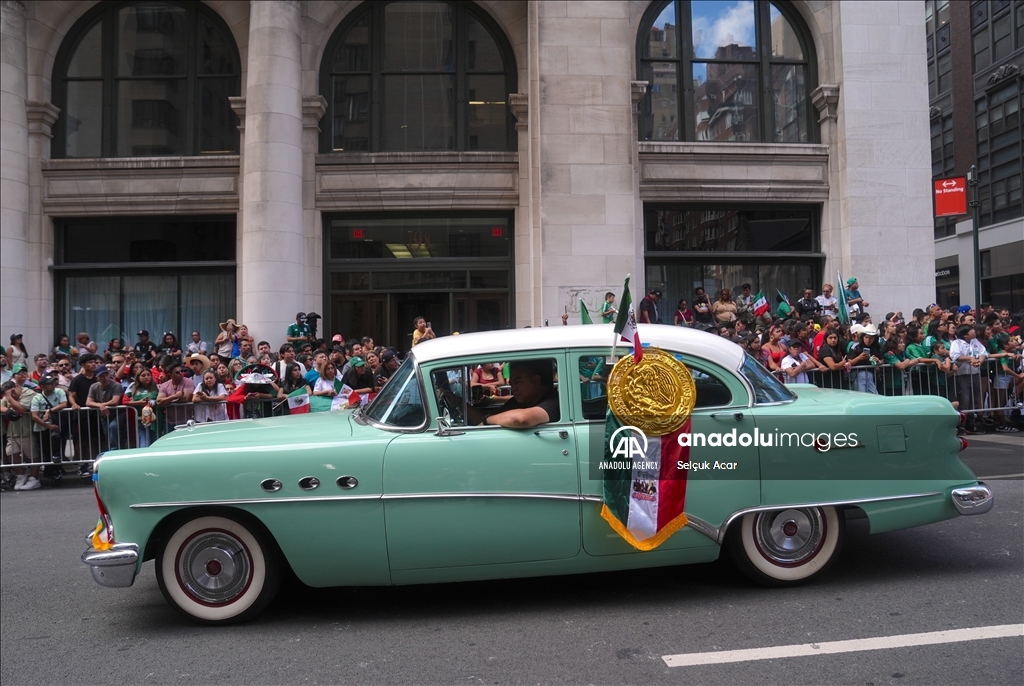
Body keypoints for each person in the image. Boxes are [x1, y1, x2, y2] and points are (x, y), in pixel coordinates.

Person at [477, 360, 560, 428]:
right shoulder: (520, 401)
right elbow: (491, 416)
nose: (513, 389)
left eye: (518, 382)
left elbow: (521, 419)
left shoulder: (553, 401)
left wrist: (486, 421)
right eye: (511, 384)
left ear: (536, 381)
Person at [30, 375, 67, 475]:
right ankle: (49, 471)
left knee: (56, 440)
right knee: (45, 450)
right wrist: (48, 426)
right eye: (49, 383)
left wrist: (49, 411)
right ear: (43, 386)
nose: (53, 384)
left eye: (53, 382)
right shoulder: (37, 398)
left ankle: (58, 468)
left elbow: (64, 404)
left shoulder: (59, 392)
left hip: (56, 424)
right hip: (41, 427)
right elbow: (34, 416)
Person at [86, 365, 125, 450]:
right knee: (107, 433)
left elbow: (115, 401)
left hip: (118, 413)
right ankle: (112, 451)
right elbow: (88, 402)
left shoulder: (116, 385)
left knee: (113, 427)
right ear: (97, 378)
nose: (105, 378)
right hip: (104, 415)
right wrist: (100, 405)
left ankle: (113, 450)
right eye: (102, 376)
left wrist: (102, 405)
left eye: (106, 375)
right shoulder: (94, 386)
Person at [124, 368, 160, 447]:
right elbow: (124, 401)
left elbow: (161, 400)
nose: (146, 377)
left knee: (155, 444)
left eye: (148, 375)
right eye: (143, 375)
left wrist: (153, 402)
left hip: (155, 420)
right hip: (140, 420)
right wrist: (139, 403)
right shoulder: (132, 386)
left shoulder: (156, 386)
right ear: (138, 377)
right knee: (143, 444)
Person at [157, 361, 195, 429]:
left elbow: (184, 399)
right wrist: (175, 396)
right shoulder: (164, 385)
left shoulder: (189, 382)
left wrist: (167, 402)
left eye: (181, 371)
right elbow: (159, 402)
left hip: (185, 422)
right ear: (170, 375)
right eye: (177, 372)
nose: (181, 373)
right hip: (169, 422)